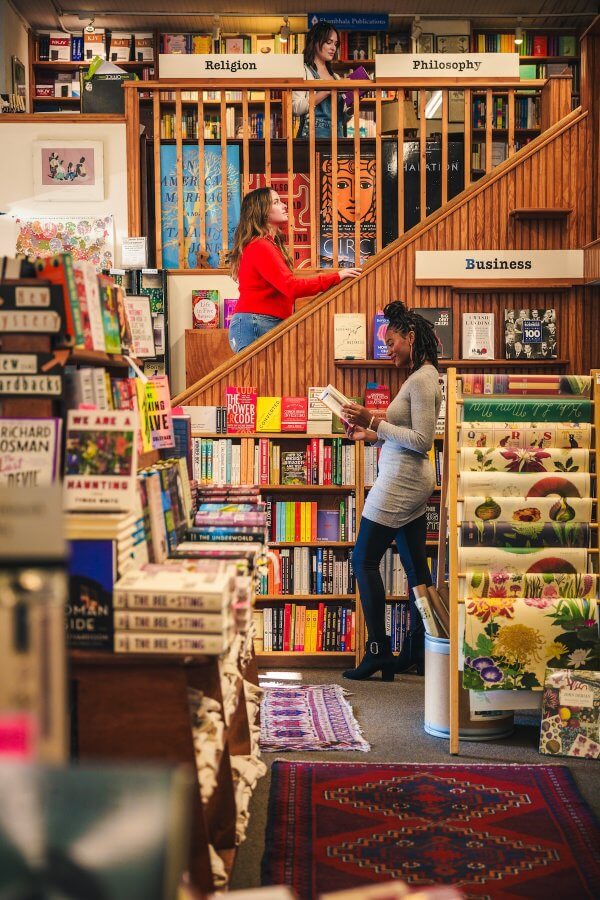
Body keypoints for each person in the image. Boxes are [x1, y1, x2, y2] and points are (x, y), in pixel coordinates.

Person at [340, 300, 443, 681]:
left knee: (363, 561)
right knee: (417, 569)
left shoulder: (421, 379)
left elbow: (421, 439)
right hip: (408, 482)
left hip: (401, 484)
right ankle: (417, 648)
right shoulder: (421, 376)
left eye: (392, 341)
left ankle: (379, 651)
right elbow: (405, 432)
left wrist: (374, 421)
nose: (388, 348)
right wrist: (369, 430)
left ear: (411, 337)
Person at [227, 187, 360, 353]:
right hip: (255, 323)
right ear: (261, 211)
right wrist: (336, 277)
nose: (284, 206)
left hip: (261, 322)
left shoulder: (266, 245)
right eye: (276, 202)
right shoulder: (261, 246)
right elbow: (291, 286)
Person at [292, 21, 346, 138]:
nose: (333, 48)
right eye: (329, 42)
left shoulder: (335, 76)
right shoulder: (303, 71)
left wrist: (353, 103)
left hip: (338, 135)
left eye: (336, 44)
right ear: (315, 42)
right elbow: (296, 107)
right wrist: (326, 91)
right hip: (312, 135)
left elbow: (341, 117)